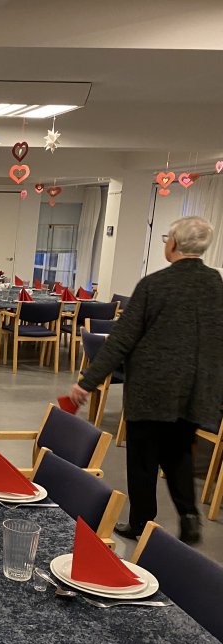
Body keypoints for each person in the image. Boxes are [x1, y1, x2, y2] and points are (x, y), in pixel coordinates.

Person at [68, 215, 223, 544]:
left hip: (152, 387)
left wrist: (87, 382)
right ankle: (189, 515)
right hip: (194, 390)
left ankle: (141, 522)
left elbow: (122, 339)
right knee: (179, 453)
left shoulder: (154, 285)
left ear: (174, 244)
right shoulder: (216, 285)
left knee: (143, 458)